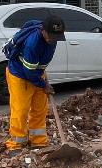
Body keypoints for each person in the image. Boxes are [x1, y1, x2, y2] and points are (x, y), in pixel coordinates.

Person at [4, 15, 67, 150]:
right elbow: (29, 72)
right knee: (21, 110)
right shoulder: (33, 43)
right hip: (20, 75)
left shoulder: (52, 38)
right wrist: (44, 85)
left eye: (56, 37)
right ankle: (16, 144)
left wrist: (42, 80)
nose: (53, 40)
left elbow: (37, 66)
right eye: (51, 36)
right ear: (43, 31)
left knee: (40, 109)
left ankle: (38, 141)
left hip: (37, 73)